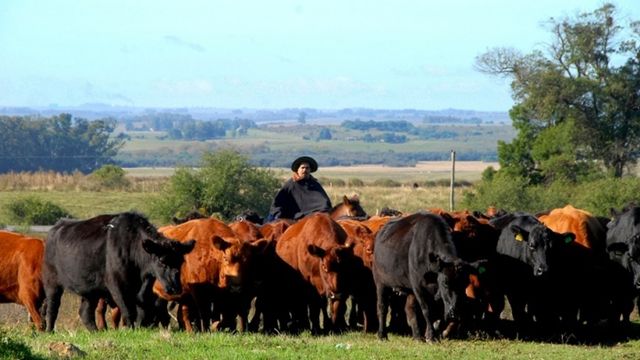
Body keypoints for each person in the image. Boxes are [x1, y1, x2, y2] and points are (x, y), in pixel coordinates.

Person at [267, 156, 332, 221]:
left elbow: (324, 201)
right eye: (302, 168)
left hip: (315, 216)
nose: (305, 170)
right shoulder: (290, 184)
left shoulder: (315, 184)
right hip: (295, 217)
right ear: (298, 170)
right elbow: (278, 202)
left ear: (310, 170)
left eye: (307, 168)